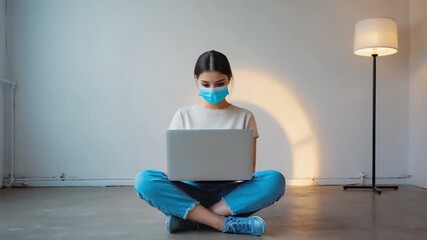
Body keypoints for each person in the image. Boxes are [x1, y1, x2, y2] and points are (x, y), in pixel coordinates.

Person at [134, 50, 285, 236]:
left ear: (229, 79)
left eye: (220, 84)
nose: (212, 90)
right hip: (189, 191)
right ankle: (220, 223)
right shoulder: (182, 116)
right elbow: (172, 170)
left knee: (275, 180)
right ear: (196, 80)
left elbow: (249, 169)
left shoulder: (245, 116)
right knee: (144, 180)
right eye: (206, 84)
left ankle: (191, 218)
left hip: (229, 195)